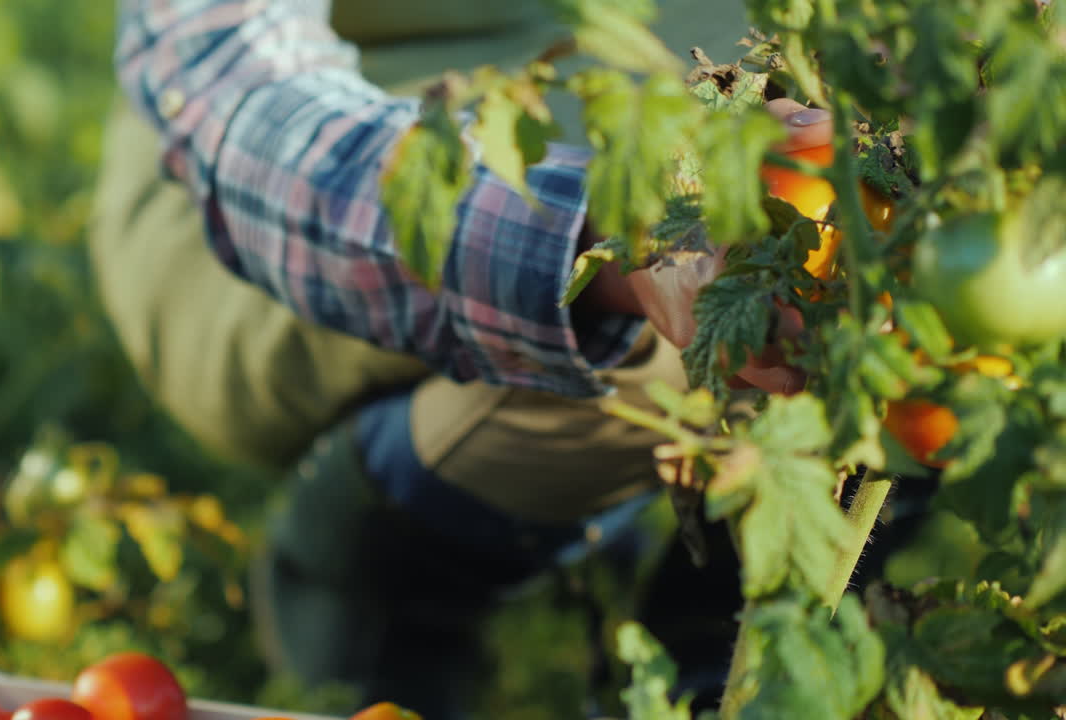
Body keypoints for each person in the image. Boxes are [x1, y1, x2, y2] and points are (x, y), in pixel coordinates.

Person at [93, 0, 834, 716]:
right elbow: (240, 104)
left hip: (675, 143)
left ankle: (716, 654)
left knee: (872, 272)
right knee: (693, 334)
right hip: (282, 214)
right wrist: (613, 237)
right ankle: (381, 576)